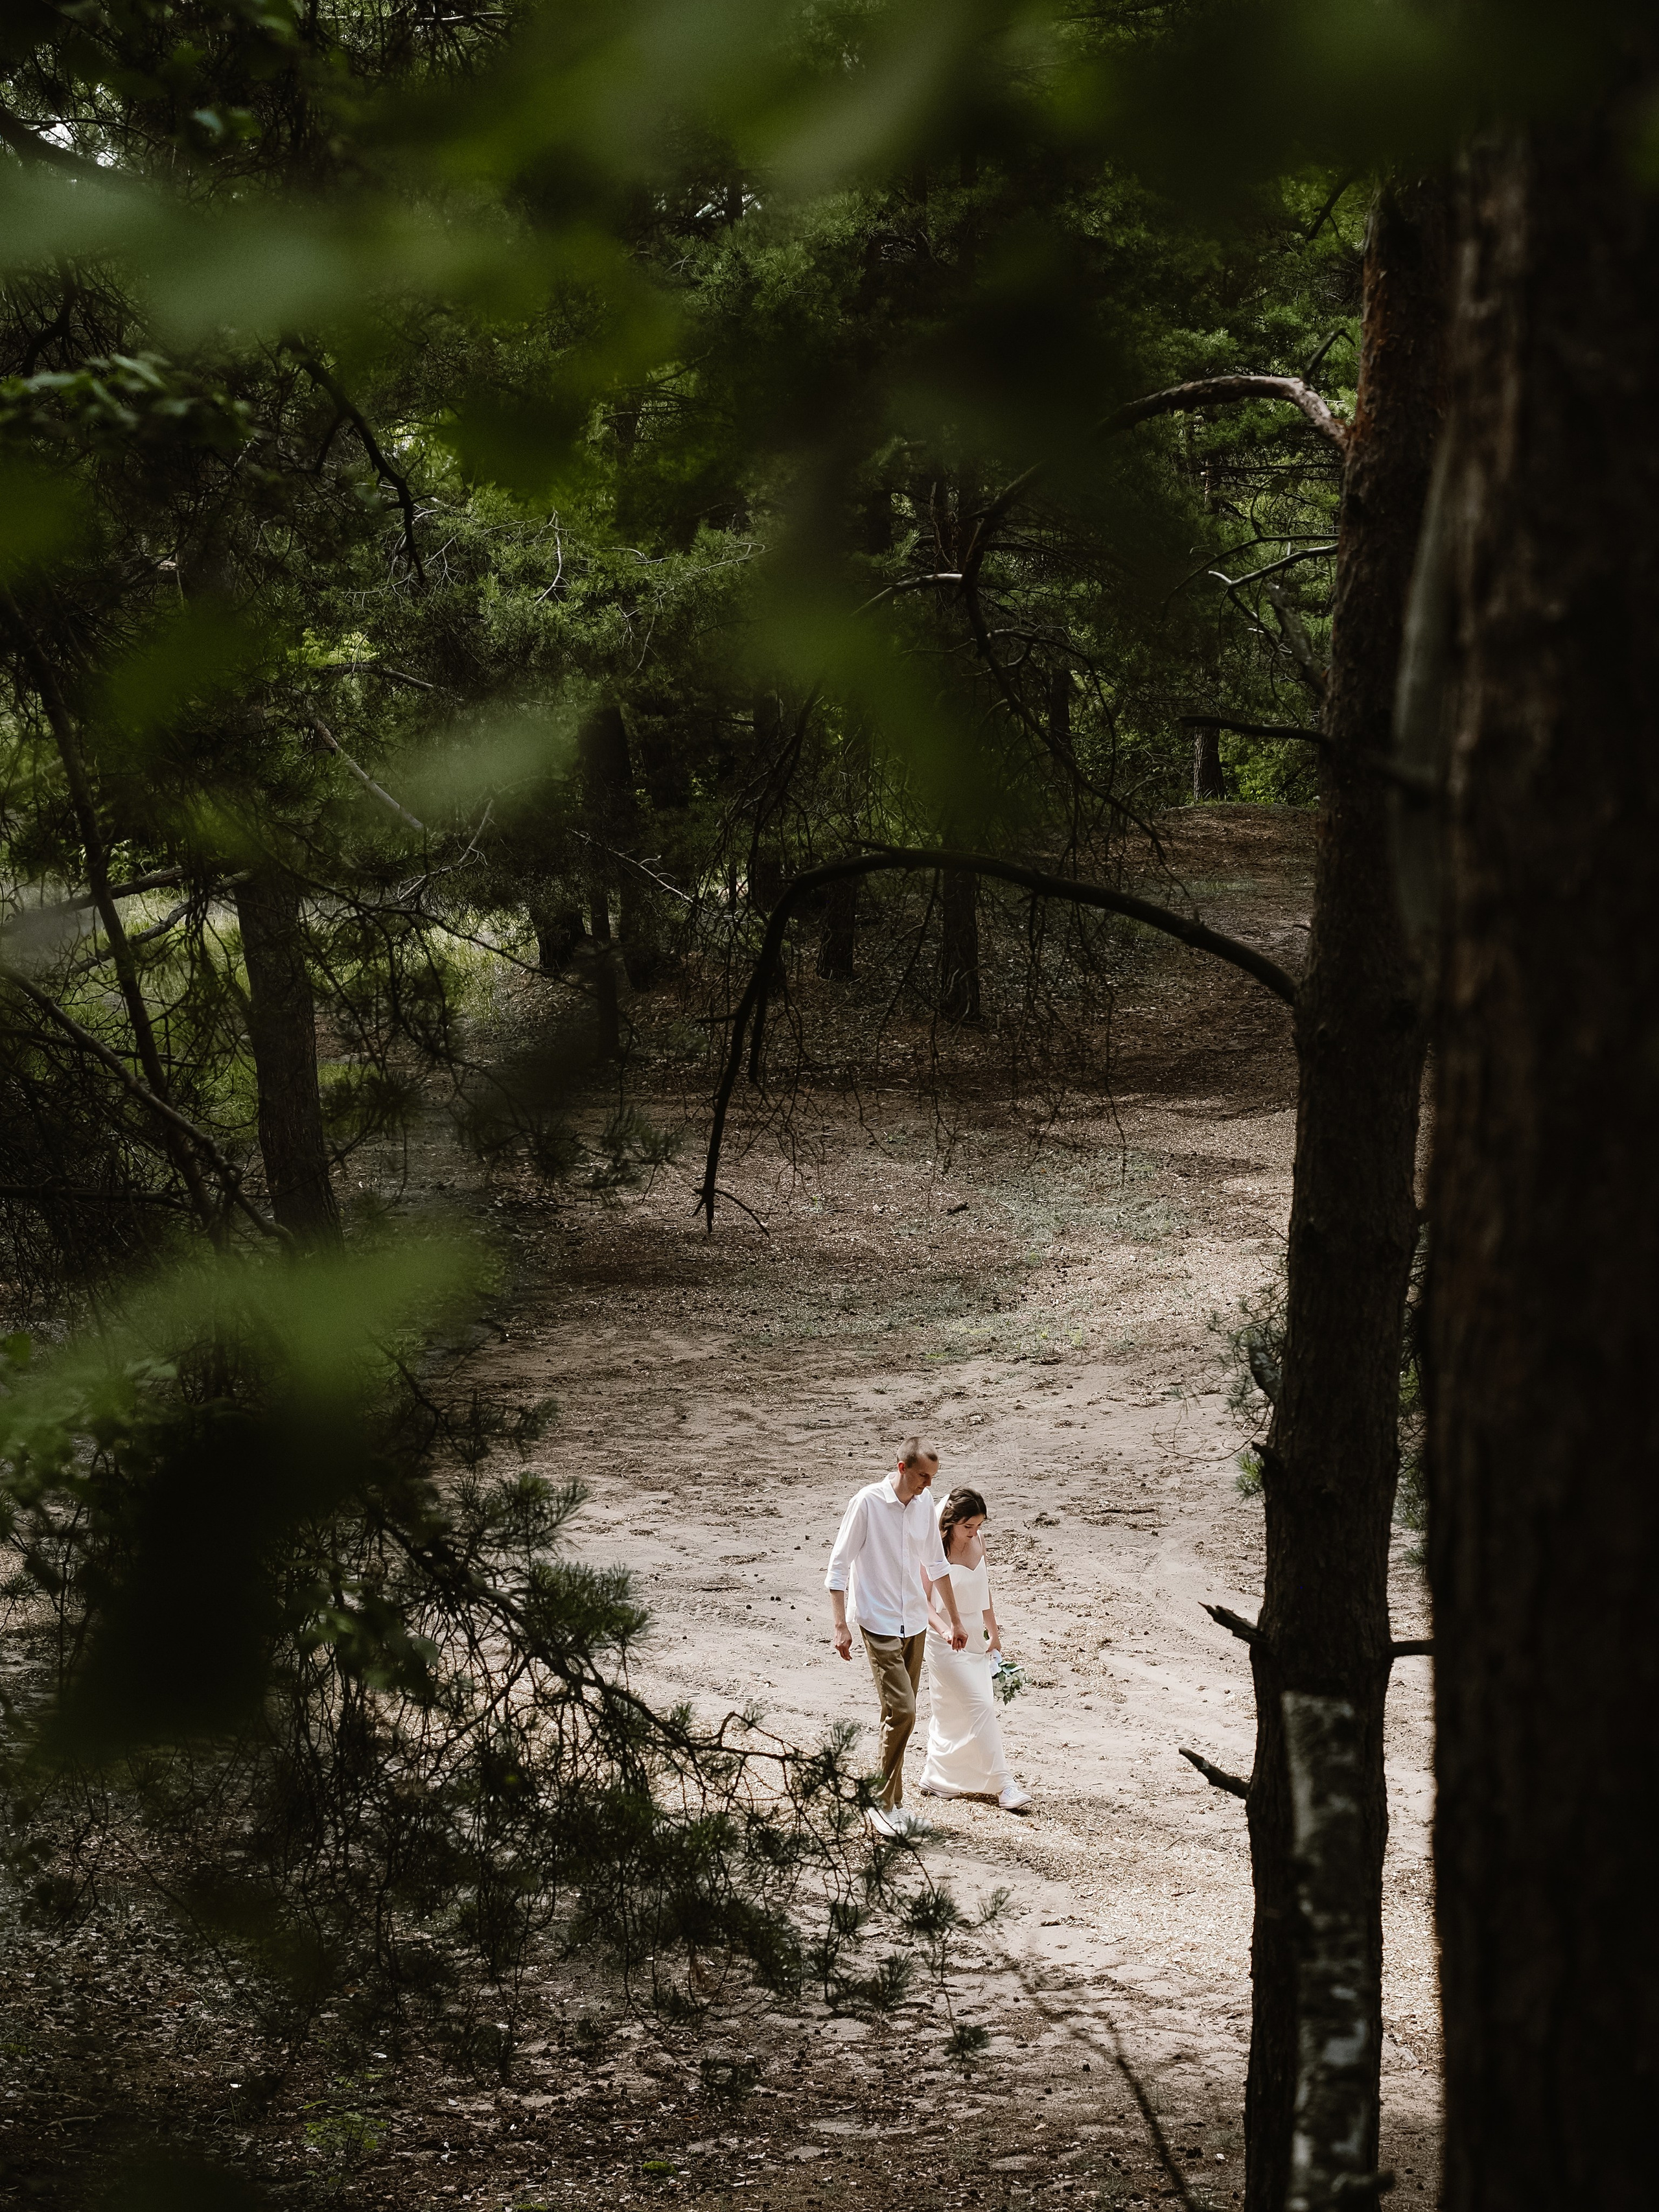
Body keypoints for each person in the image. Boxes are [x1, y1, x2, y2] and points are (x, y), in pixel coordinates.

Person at [826, 1438, 968, 1838]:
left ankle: (892, 1803)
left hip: (915, 1624)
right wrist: (841, 1625)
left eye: (933, 1477)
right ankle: (879, 1802)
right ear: (903, 1468)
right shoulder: (867, 1503)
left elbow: (936, 1564)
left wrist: (954, 1620)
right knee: (903, 1711)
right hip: (878, 1623)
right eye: (923, 1475)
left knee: (897, 1717)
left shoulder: (924, 1505)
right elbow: (838, 1568)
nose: (928, 1484)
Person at [918, 1486, 1032, 1812]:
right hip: (945, 1642)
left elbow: (984, 1594)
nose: (974, 1533)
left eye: (979, 1526)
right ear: (951, 1521)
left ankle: (937, 1777)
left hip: (976, 1640)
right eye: (968, 1527)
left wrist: (994, 1635)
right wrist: (945, 1631)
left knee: (953, 1710)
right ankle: (1004, 1785)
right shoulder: (934, 1550)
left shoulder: (979, 1543)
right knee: (981, 1705)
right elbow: (922, 1601)